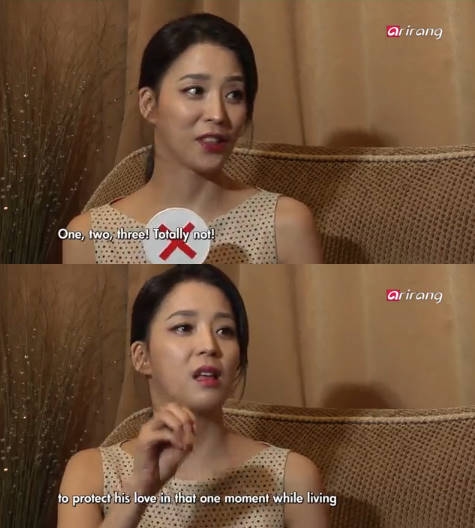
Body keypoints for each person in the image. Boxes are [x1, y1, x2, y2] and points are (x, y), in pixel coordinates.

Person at [58, 264, 329, 527]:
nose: (209, 346)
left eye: (225, 331)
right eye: (184, 328)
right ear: (142, 357)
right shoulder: (90, 473)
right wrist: (138, 492)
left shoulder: (292, 477)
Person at [63, 13, 323, 264]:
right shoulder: (89, 235)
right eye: (195, 90)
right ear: (149, 104)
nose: (218, 114)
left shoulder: (285, 224)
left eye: (234, 95)